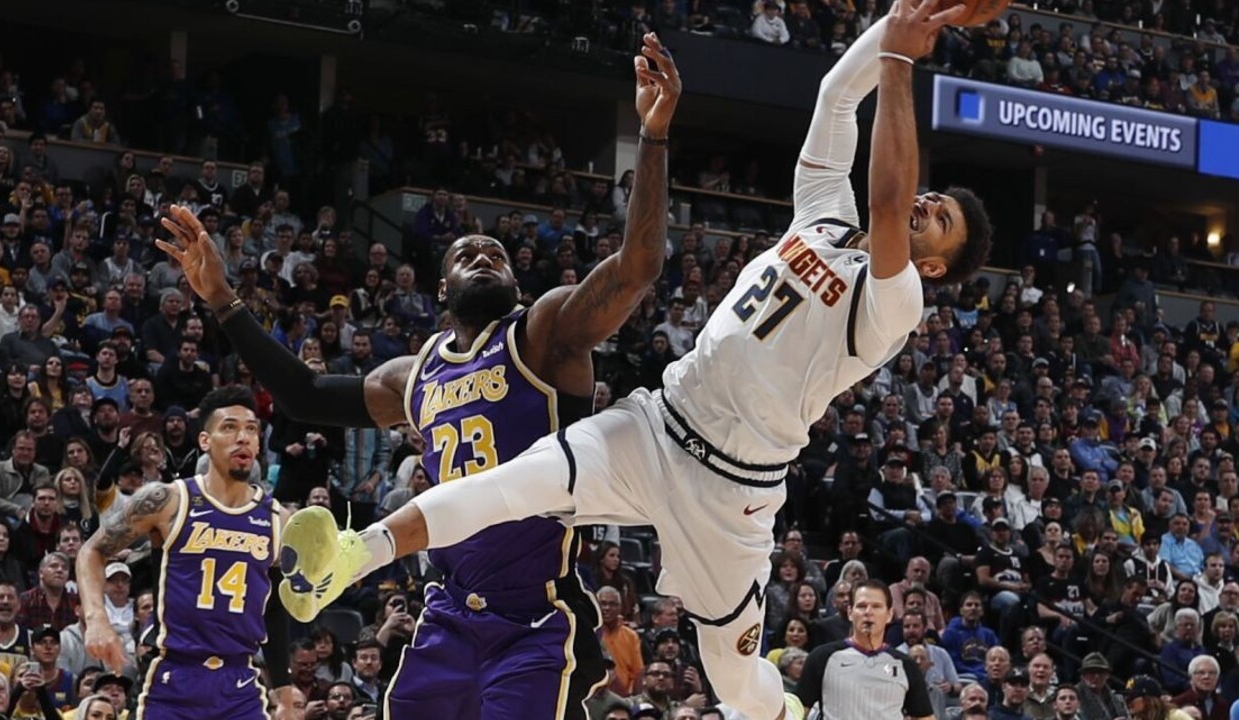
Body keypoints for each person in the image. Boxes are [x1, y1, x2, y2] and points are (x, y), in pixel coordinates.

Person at [277, 3, 990, 720]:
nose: (930, 204)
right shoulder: (823, 216)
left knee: (733, 680)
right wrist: (899, 17)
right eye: (937, 200)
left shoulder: (894, 300)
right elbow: (837, 93)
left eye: (944, 221)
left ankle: (782, 713)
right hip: (659, 425)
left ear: (934, 266)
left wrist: (899, 58)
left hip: (733, 487)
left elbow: (889, 201)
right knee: (513, 481)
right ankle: (354, 553)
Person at [156, 34, 681, 720]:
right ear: (442, 286)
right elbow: (304, 395)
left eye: (496, 253)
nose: (485, 256)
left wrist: (652, 137)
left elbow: (638, 265)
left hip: (533, 616)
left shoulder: (544, 334)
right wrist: (225, 302)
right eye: (468, 252)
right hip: (446, 618)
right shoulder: (416, 375)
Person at [74, 386, 292, 720]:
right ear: (205, 440)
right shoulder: (167, 500)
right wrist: (96, 619)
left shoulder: (278, 519)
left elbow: (274, 609)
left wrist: (283, 690)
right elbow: (91, 551)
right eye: (230, 427)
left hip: (240, 683)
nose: (243, 437)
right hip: (175, 679)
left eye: (251, 429)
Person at [796, 579, 932, 720]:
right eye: (861, 606)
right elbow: (796, 713)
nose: (868, 612)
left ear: (889, 615)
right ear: (850, 612)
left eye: (876, 606)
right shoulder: (822, 658)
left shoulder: (906, 666)